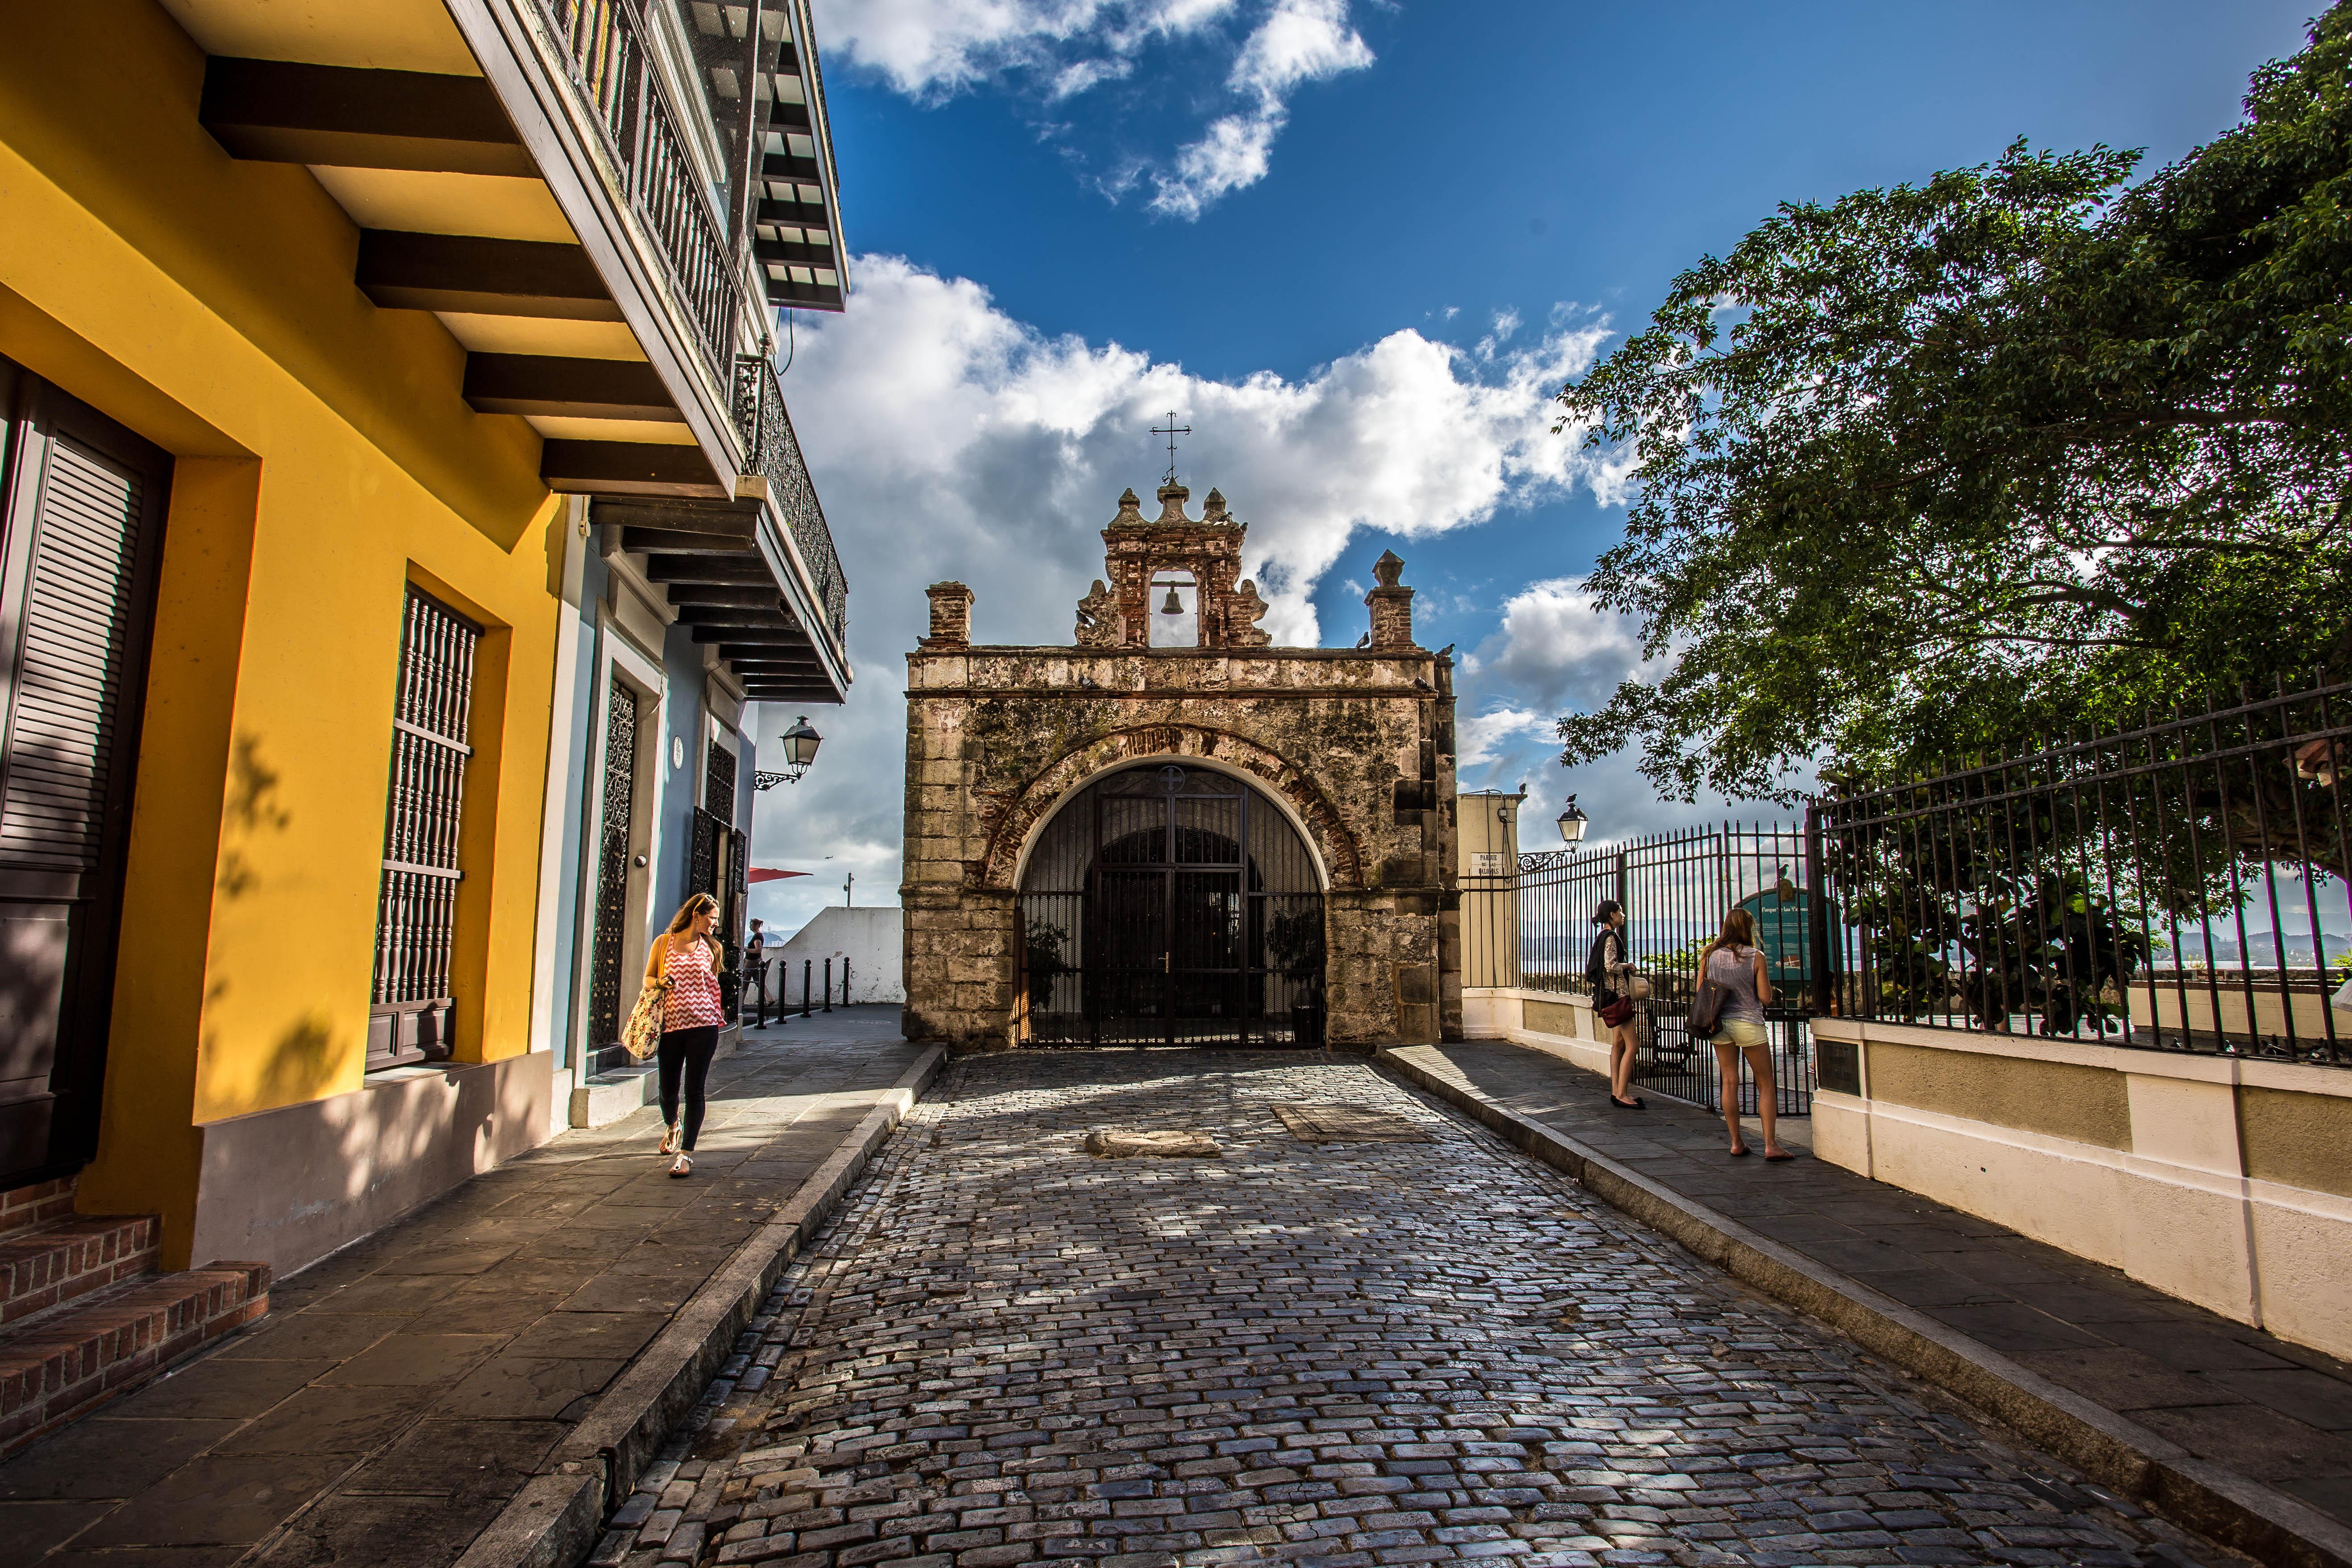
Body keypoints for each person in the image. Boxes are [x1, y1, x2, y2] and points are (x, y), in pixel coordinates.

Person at [1702, 907, 1794, 1160]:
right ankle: (1771, 1145)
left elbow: (1701, 991)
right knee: (1765, 1083)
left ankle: (1736, 1142)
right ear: (1748, 928)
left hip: (1719, 1024)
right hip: (1748, 1023)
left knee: (1730, 1082)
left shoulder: (1710, 955)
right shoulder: (1756, 956)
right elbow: (1765, 997)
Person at [647, 893, 725, 1177]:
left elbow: (712, 986)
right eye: (712, 918)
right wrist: (658, 982)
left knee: (695, 1090)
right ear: (696, 915)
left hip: (704, 1027)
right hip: (671, 1027)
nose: (715, 924)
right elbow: (648, 978)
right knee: (668, 1091)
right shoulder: (663, 943)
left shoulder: (712, 948)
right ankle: (672, 1125)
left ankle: (686, 1154)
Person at [1587, 900, 1643, 1109]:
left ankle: (1615, 1090)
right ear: (1612, 915)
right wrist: (1629, 966)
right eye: (1620, 912)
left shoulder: (1601, 936)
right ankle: (1623, 1094)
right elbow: (1610, 966)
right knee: (1633, 1045)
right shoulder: (1610, 937)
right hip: (1618, 997)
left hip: (1610, 997)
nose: (1623, 916)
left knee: (1618, 1044)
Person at [745, 918, 768, 1029]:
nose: (750, 927)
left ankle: (741, 1003)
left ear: (756, 926)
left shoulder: (758, 937)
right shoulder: (759, 936)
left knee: (745, 982)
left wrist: (746, 950)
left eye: (751, 925)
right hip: (756, 962)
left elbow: (758, 950)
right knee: (759, 982)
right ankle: (769, 998)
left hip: (751, 963)